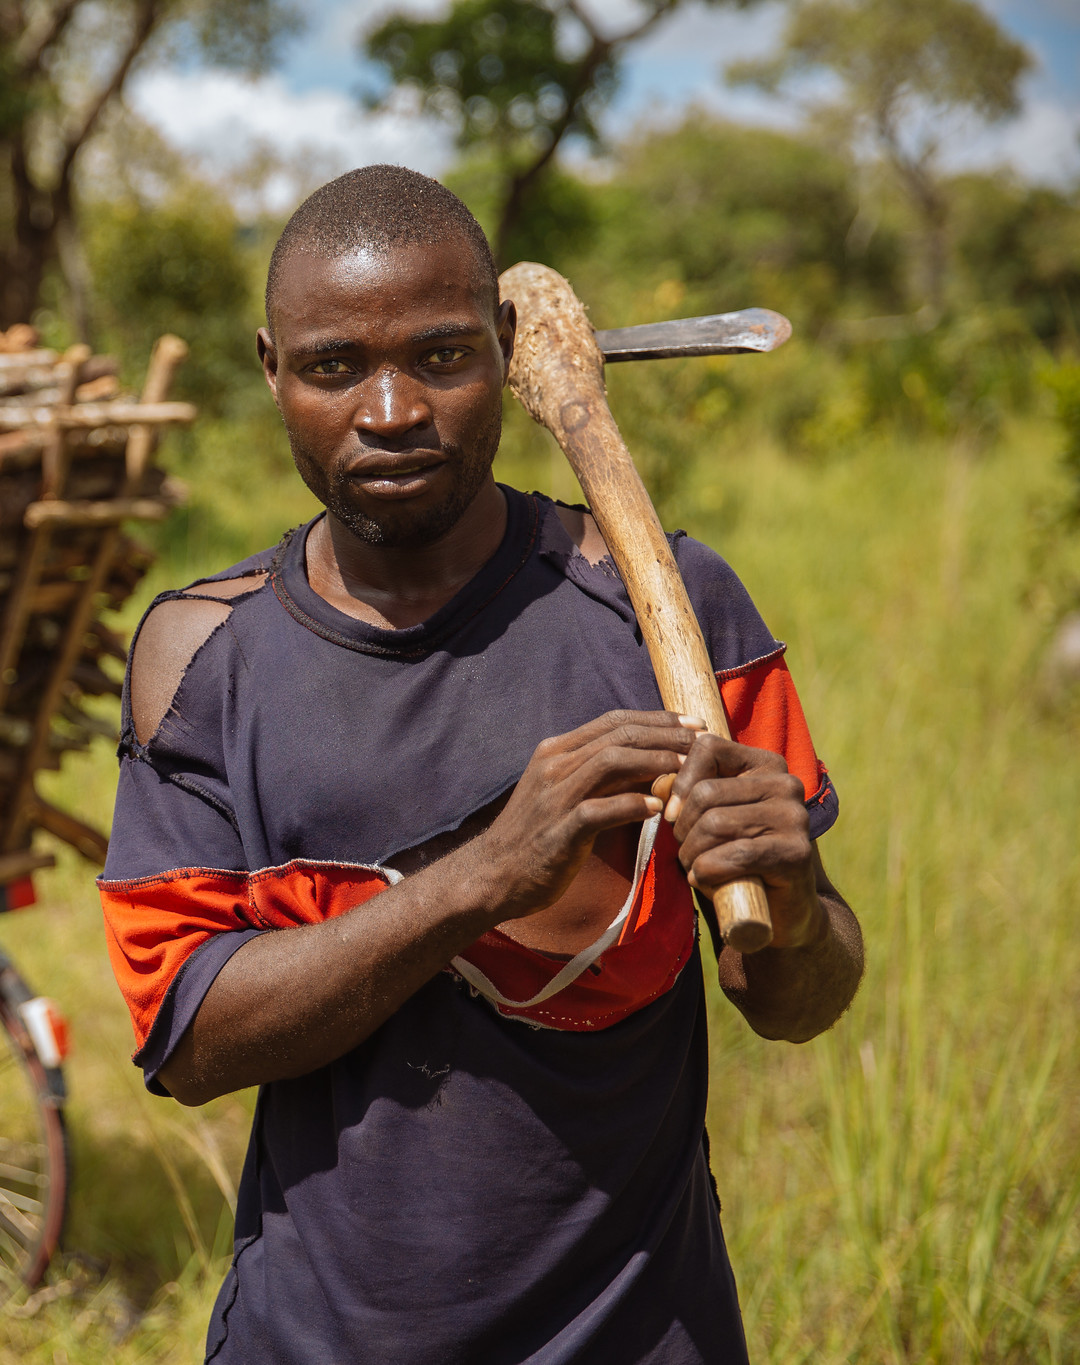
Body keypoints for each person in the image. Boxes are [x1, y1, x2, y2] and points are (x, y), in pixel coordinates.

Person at [98, 165, 864, 1364]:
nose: (391, 409)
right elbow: (187, 1043)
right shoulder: (203, 658)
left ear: (508, 350)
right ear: (270, 370)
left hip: (642, 1333)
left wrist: (801, 910)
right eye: (334, 366)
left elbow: (797, 1001)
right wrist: (479, 878)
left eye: (442, 357)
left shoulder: (666, 612)